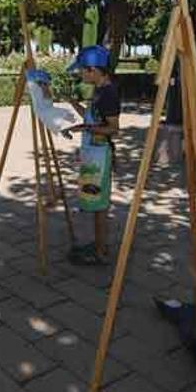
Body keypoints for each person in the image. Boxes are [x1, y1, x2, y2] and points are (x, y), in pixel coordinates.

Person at [63, 45, 120, 265]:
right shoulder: (99, 90)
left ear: (94, 70)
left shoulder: (108, 94)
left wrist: (83, 129)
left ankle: (101, 251)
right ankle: (99, 245)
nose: (80, 74)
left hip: (100, 155)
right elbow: (91, 117)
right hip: (93, 152)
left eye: (83, 71)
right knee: (95, 203)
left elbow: (113, 128)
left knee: (99, 205)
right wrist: (72, 102)